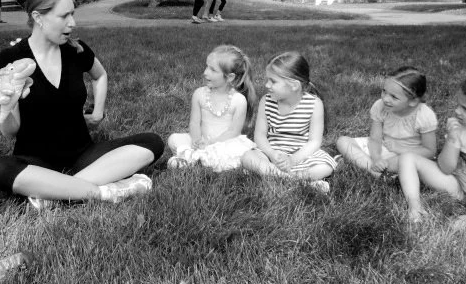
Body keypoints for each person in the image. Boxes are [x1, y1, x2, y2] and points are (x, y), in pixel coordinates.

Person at [0, 0, 164, 209]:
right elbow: (9, 131)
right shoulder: (12, 59)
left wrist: (98, 111)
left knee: (151, 142)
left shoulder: (76, 50)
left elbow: (100, 76)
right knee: (0, 169)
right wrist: (4, 110)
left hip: (83, 155)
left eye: (73, 14)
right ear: (38, 17)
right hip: (36, 162)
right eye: (64, 16)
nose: (72, 22)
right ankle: (102, 191)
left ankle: (54, 192)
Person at [241, 51, 337, 193]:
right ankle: (296, 180)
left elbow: (314, 142)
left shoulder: (314, 104)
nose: (267, 85)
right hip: (272, 152)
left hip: (301, 154)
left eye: (273, 81)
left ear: (294, 85)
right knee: (248, 157)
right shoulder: (266, 102)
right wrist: (272, 154)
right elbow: (260, 136)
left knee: (326, 166)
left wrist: (293, 160)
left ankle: (276, 175)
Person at [336, 66, 437, 178]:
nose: (385, 99)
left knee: (406, 161)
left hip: (408, 154)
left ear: (413, 101)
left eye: (394, 97)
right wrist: (377, 158)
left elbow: (430, 151)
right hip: (381, 147)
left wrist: (400, 150)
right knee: (343, 141)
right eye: (384, 91)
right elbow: (375, 138)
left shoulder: (424, 116)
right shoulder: (380, 106)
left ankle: (360, 163)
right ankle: (376, 171)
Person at [167, 44, 256, 172]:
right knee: (174, 139)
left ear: (230, 77)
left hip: (224, 142)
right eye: (206, 66)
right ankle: (196, 156)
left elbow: (233, 132)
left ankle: (190, 159)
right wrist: (196, 140)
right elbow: (194, 122)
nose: (205, 72)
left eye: (213, 70)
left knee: (232, 153)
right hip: (202, 139)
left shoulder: (238, 100)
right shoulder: (199, 94)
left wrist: (211, 143)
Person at [399, 80, 466, 222]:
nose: (457, 111)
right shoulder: (459, 130)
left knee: (456, 226)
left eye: (465, 108)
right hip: (457, 186)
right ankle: (415, 208)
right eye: (458, 105)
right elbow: (445, 168)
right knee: (407, 158)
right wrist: (453, 139)